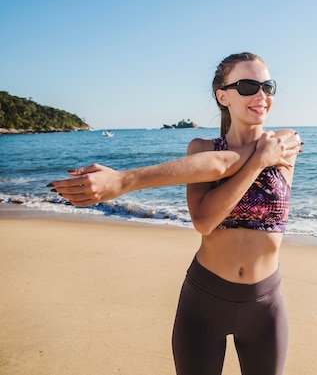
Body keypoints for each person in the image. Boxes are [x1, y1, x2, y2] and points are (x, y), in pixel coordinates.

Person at [48, 52, 300, 375]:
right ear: (223, 96)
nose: (261, 95)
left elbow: (229, 162)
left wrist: (125, 180)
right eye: (249, 85)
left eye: (268, 86)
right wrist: (258, 162)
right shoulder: (201, 150)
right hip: (204, 303)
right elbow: (205, 220)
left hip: (265, 306)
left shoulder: (286, 143)